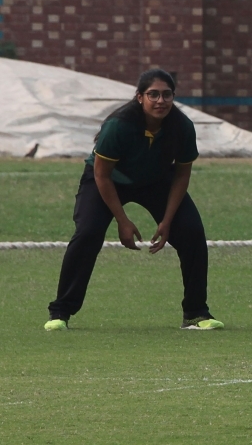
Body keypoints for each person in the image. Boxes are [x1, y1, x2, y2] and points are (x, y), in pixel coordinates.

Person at [44, 69, 224, 331]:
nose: (160, 101)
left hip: (156, 181)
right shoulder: (119, 125)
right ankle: (60, 312)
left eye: (167, 95)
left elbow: (182, 175)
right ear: (139, 97)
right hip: (108, 181)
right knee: (88, 232)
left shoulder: (182, 127)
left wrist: (168, 220)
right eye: (153, 94)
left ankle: (196, 313)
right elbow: (102, 175)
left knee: (192, 232)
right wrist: (122, 220)